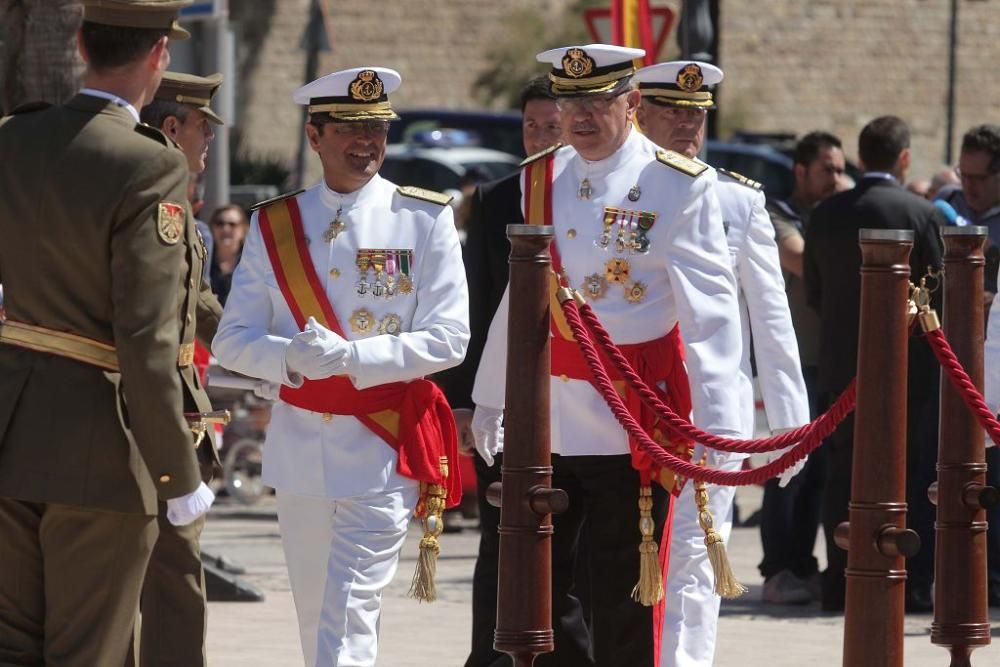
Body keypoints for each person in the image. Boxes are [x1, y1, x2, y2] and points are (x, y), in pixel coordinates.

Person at [471, 44, 743, 667]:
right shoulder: (541, 178)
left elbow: (712, 318)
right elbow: (521, 293)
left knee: (627, 593)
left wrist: (719, 429)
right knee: (543, 588)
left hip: (633, 421)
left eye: (598, 103)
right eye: (571, 104)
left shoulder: (677, 185)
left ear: (633, 103)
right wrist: (490, 396)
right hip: (551, 419)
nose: (581, 118)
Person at [212, 66, 469, 666]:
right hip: (299, 448)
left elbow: (450, 338)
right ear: (314, 136)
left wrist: (355, 358)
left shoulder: (424, 218)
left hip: (381, 448)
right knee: (319, 615)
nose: (366, 142)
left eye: (377, 128)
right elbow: (233, 338)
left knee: (348, 610)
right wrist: (289, 358)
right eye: (351, 129)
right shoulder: (275, 223)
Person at [0, 1, 215, 664]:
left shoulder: (13, 139)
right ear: (158, 57)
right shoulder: (149, 164)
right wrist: (179, 479)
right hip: (102, 451)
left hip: (10, 431)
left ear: (82, 42)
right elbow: (148, 346)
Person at [633, 60, 810, 666]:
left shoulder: (737, 199)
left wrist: (790, 428)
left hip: (710, 409)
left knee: (696, 558)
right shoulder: (605, 193)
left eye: (697, 114)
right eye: (673, 112)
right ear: (638, 112)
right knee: (616, 554)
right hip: (627, 402)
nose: (687, 125)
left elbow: (771, 317)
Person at [433, 75, 561, 667]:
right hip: (505, 396)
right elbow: (477, 305)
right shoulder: (496, 198)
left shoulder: (604, 197)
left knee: (573, 542)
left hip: (582, 396)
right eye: (531, 125)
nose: (540, 136)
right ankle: (491, 656)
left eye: (551, 126)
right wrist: (463, 400)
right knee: (503, 534)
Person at [804, 115, 945, 613]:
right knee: (908, 473)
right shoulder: (921, 212)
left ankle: (841, 579)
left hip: (843, 366)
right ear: (904, 158)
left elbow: (816, 293)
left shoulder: (825, 214)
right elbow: (935, 297)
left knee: (841, 474)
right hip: (908, 371)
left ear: (862, 158)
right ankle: (908, 579)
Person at [127, 69, 226, 666]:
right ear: (171, 128)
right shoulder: (156, 203)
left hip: (174, 407)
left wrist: (260, 347)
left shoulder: (180, 211)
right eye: (201, 130)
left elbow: (201, 306)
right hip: (154, 411)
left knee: (172, 578)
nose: (207, 143)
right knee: (169, 577)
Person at [759, 130, 846, 604]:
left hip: (826, 360)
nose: (836, 178)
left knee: (818, 473)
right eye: (827, 170)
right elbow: (799, 259)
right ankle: (777, 569)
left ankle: (802, 564)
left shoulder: (829, 215)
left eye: (840, 169)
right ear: (800, 172)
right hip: (793, 363)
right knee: (786, 468)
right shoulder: (778, 216)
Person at [208, 203, 250, 305]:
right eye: (220, 223)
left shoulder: (252, 264)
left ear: (243, 230)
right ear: (212, 228)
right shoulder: (203, 262)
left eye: (232, 224)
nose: (226, 229)